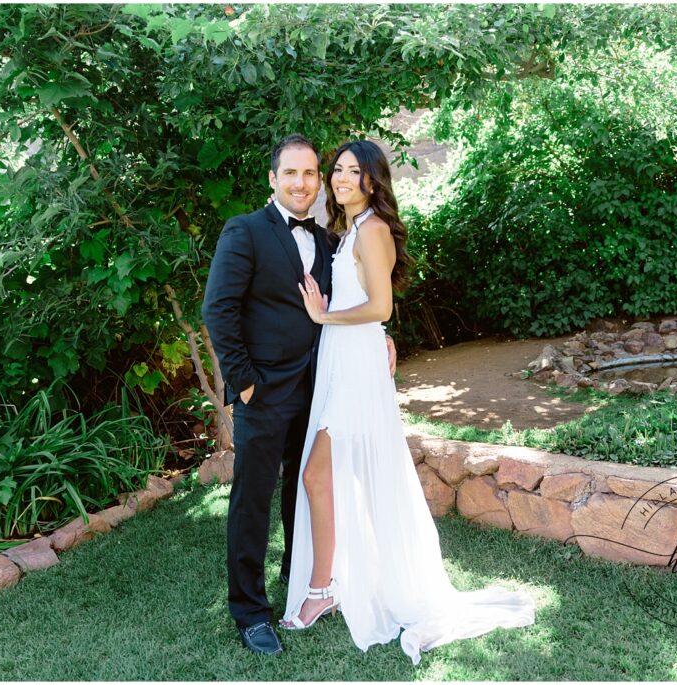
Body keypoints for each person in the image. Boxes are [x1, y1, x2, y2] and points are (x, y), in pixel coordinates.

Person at [280, 140, 536, 664]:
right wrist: (341, 319)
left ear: (373, 182)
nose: (340, 178)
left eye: (353, 172)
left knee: (317, 475)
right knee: (328, 475)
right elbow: (369, 307)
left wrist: (326, 317)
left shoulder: (371, 230)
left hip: (354, 363)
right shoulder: (348, 228)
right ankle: (332, 582)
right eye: (338, 171)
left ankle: (323, 586)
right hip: (343, 357)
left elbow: (379, 306)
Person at [202, 134, 396, 656]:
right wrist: (244, 382)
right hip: (263, 394)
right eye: (291, 173)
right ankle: (249, 612)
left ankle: (299, 581)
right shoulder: (244, 231)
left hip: (321, 388)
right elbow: (218, 311)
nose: (302, 183)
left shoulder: (333, 239)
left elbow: (358, 299)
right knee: (251, 501)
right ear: (273, 179)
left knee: (303, 494)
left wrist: (384, 336)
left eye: (311, 173)